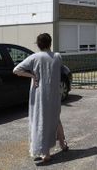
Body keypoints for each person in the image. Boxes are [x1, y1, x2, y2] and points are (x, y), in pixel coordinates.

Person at [13, 33, 70, 163]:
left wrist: (33, 76)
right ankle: (62, 144)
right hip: (55, 95)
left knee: (41, 121)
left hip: (39, 96)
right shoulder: (57, 57)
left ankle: (45, 153)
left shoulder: (34, 57)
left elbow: (16, 70)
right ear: (50, 43)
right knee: (55, 119)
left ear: (38, 44)